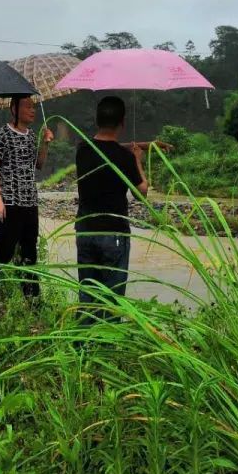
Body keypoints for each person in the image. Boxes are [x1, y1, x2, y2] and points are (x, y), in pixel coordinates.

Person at [75, 95, 149, 323]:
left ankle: (83, 345)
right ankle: (106, 345)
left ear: (97, 121)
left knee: (88, 293)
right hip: (113, 233)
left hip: (86, 230)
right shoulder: (124, 157)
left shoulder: (82, 150)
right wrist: (138, 159)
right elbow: (141, 192)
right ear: (122, 123)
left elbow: (103, 149)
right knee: (112, 298)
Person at [0, 95, 53, 299]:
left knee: (29, 252)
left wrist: (45, 143)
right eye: (27, 106)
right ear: (14, 109)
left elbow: (38, 165)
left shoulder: (32, 135)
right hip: (10, 203)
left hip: (30, 203)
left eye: (33, 107)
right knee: (3, 251)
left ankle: (32, 297)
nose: (32, 110)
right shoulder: (3, 134)